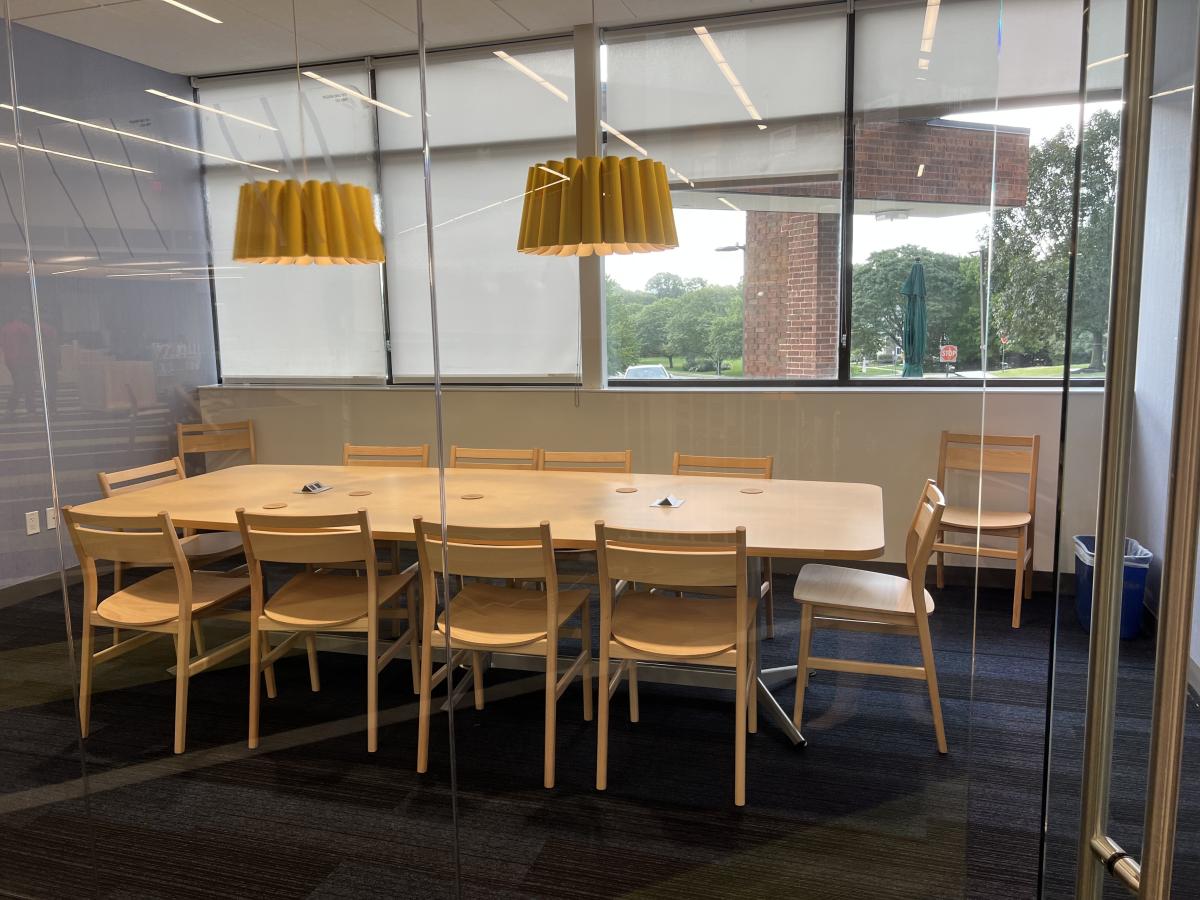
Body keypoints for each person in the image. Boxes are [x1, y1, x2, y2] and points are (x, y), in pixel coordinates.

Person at [1, 308, 57, 421]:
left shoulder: (5, 328)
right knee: (25, 384)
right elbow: (34, 340)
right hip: (24, 360)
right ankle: (22, 409)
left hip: (11, 361)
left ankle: (25, 409)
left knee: (22, 384)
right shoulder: (24, 327)